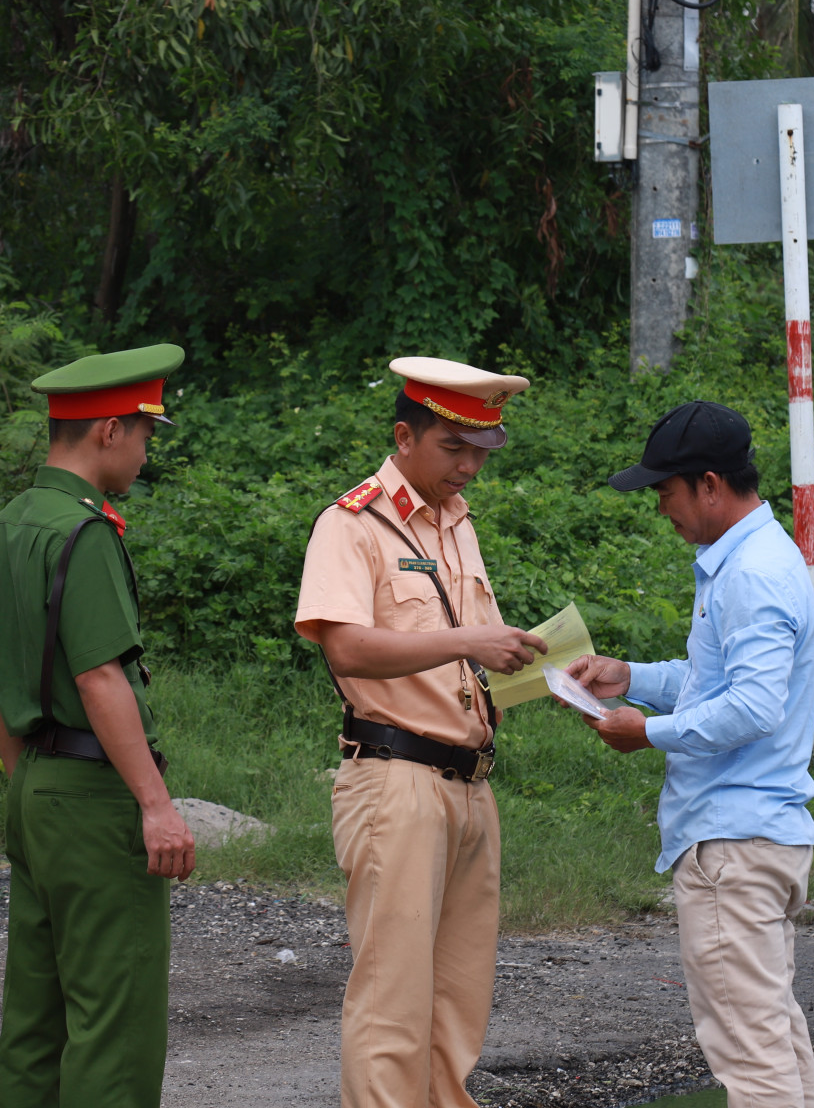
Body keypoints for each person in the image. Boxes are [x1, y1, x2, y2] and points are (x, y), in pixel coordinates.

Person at [295, 357, 551, 1108]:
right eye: (454, 447)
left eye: (482, 450)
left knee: (456, 1003)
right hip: (396, 780)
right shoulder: (355, 523)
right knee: (392, 1005)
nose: (469, 466)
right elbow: (347, 646)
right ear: (404, 436)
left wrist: (545, 669)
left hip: (468, 783)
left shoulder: (456, 524)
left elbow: (465, 645)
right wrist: (470, 642)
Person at [566, 400, 814, 1108]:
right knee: (771, 1037)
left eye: (666, 492)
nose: (662, 510)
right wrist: (636, 681)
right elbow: (719, 685)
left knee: (749, 1052)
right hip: (754, 835)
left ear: (709, 485)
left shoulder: (752, 574)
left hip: (732, 846)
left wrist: (644, 732)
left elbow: (753, 707)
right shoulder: (751, 560)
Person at [0, 344, 197, 1108]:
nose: (145, 452)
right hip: (93, 797)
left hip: (35, 785)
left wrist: (24, 784)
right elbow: (100, 677)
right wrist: (156, 803)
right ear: (109, 430)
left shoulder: (8, 526)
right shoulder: (85, 532)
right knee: (114, 1022)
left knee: (35, 1019)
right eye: (144, 434)